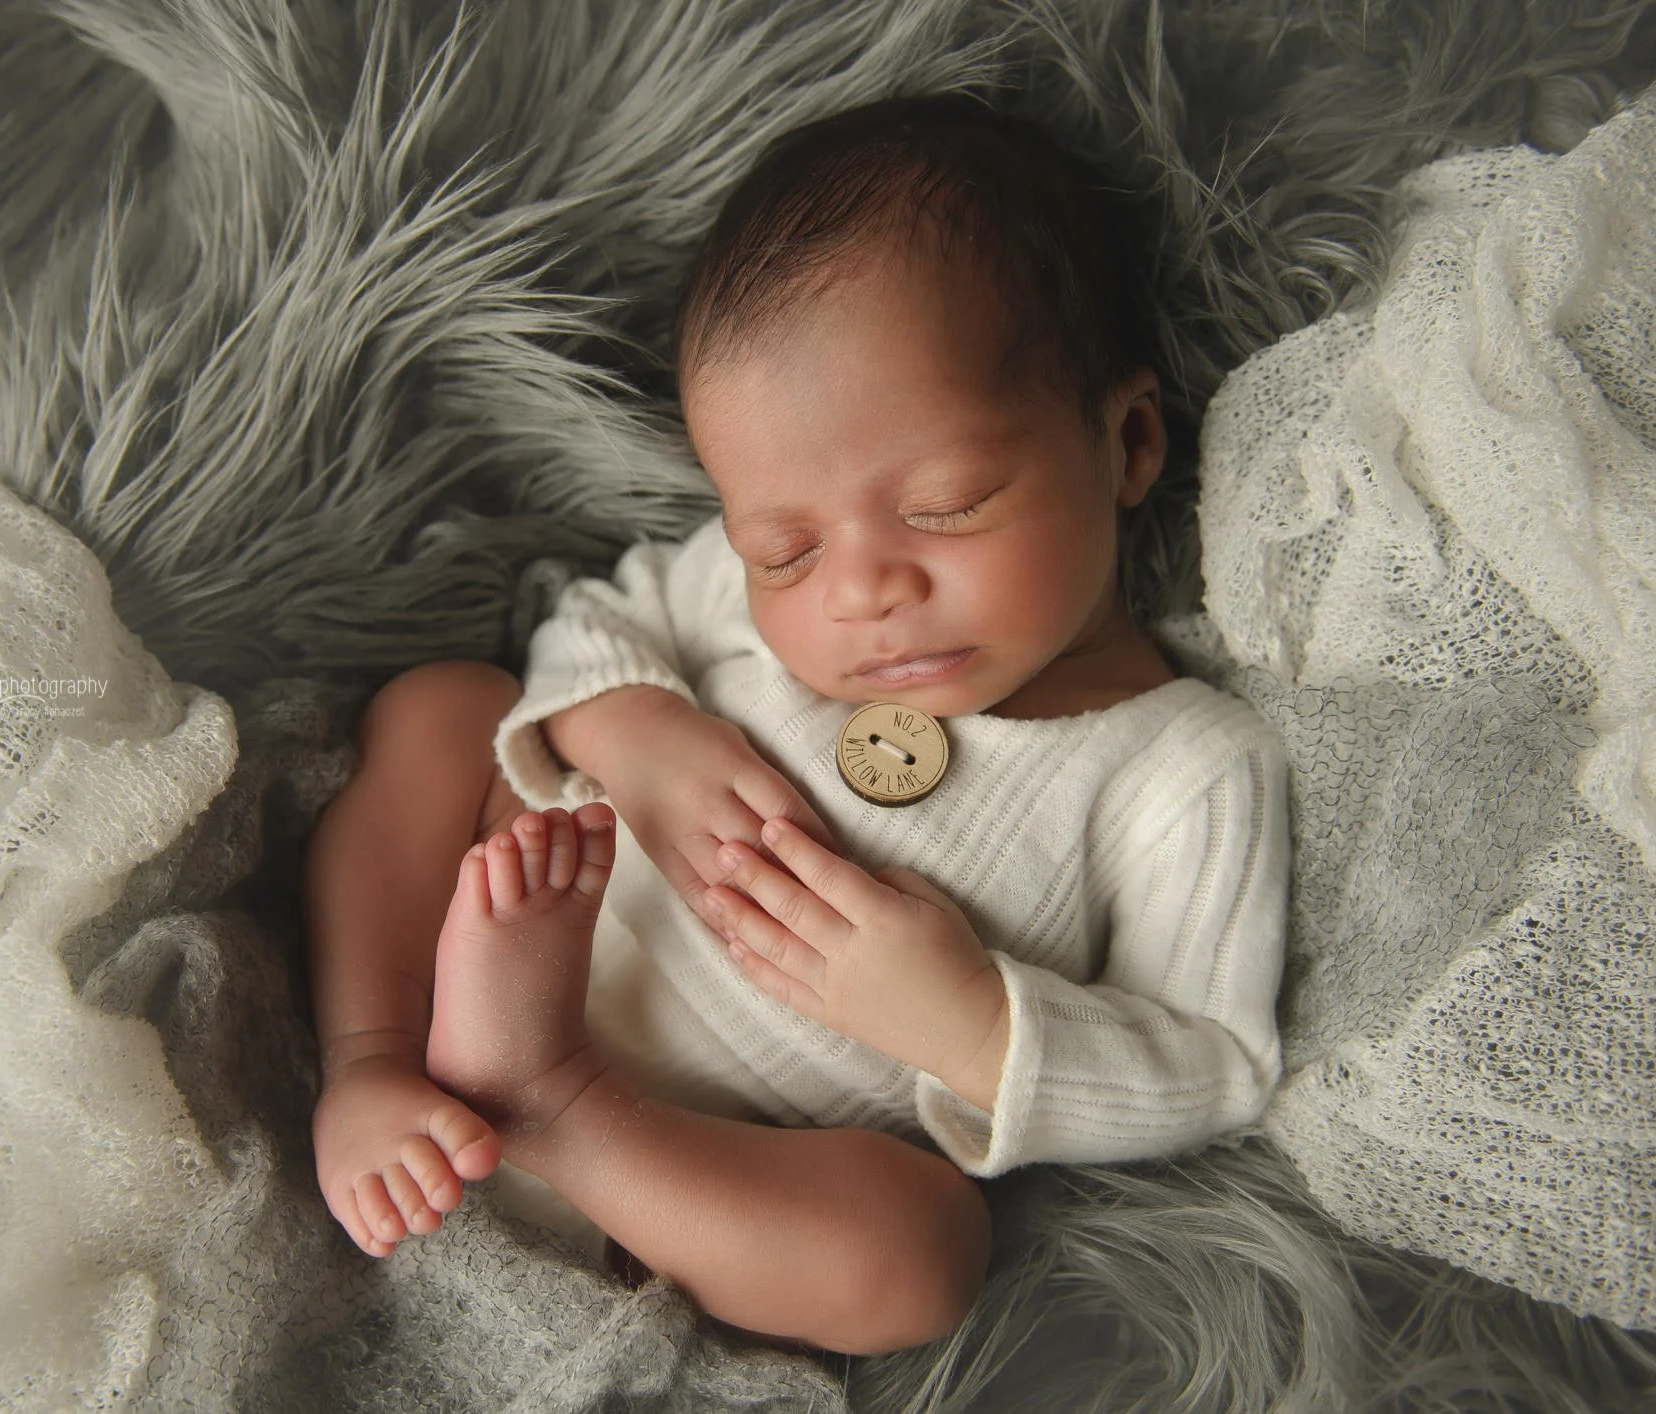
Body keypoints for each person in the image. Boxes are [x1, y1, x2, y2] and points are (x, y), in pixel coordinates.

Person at [302, 92, 1289, 1357]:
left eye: (944, 507)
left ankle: (556, 1099)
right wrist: (636, 732)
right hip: (481, 929)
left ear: (1129, 440)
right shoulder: (739, 587)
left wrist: (967, 1020)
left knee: (924, 1256)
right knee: (443, 707)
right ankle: (369, 1058)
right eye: (784, 549)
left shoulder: (1182, 765)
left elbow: (1214, 1064)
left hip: (697, 1175)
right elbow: (603, 611)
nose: (861, 589)